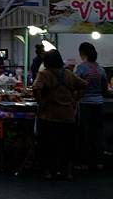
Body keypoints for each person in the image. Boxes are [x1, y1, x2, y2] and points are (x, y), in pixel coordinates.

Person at [32, 49, 86, 180]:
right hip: (68, 115)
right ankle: (67, 172)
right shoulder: (68, 73)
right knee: (67, 145)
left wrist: (41, 102)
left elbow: (35, 88)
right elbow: (84, 85)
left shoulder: (44, 74)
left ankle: (48, 172)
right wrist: (75, 99)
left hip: (49, 115)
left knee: (47, 144)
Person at [74, 42, 107, 171]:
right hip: (99, 104)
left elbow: (75, 85)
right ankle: (98, 161)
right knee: (97, 133)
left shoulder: (80, 68)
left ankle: (84, 162)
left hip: (84, 104)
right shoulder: (101, 69)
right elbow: (105, 88)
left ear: (82, 53)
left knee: (83, 132)